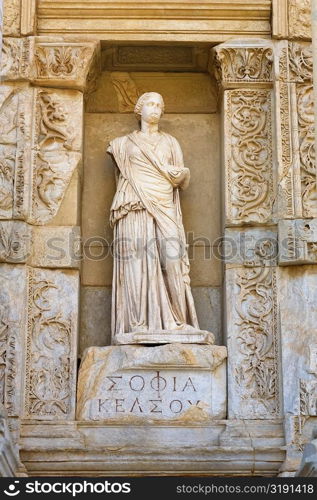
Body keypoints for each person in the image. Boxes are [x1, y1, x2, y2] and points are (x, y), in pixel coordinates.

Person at [107, 92, 207, 344]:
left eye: (160, 106)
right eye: (150, 104)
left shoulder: (170, 142)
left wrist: (179, 174)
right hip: (133, 206)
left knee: (172, 259)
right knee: (136, 263)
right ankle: (136, 324)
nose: (155, 109)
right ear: (139, 109)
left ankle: (178, 321)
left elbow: (179, 178)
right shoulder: (121, 144)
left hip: (164, 205)